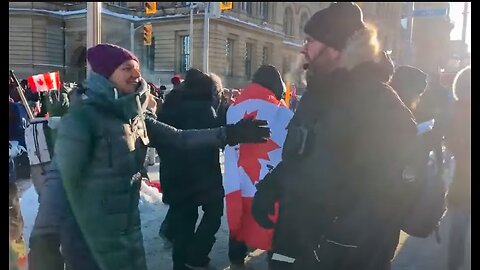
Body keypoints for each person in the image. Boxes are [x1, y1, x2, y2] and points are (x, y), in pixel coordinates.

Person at [50, 43, 269, 270]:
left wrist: (231, 133)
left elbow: (180, 138)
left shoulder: (136, 119)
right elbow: (56, 194)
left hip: (129, 241)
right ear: (106, 74)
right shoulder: (82, 120)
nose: (136, 74)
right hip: (90, 245)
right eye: (126, 68)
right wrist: (45, 247)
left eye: (137, 68)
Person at [251, 3, 418, 269]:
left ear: (337, 49)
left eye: (310, 41)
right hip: (292, 243)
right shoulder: (316, 97)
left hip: (343, 258)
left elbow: (392, 193)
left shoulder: (380, 105)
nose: (303, 48)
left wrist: (341, 240)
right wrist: (270, 188)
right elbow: (301, 157)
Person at [224, 65, 293, 269]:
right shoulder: (282, 112)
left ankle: (236, 258)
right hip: (267, 180)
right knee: (271, 218)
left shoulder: (233, 109)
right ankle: (272, 256)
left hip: (238, 180)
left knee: (239, 217)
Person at [156, 68, 226, 270]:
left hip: (174, 174)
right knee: (214, 213)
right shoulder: (205, 109)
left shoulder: (170, 103)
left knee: (184, 222)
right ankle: (197, 256)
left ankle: (180, 263)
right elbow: (212, 140)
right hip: (202, 176)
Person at [446, 66, 470, 270]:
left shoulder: (456, 110)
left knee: (458, 229)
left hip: (462, 179)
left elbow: (452, 143)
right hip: (463, 179)